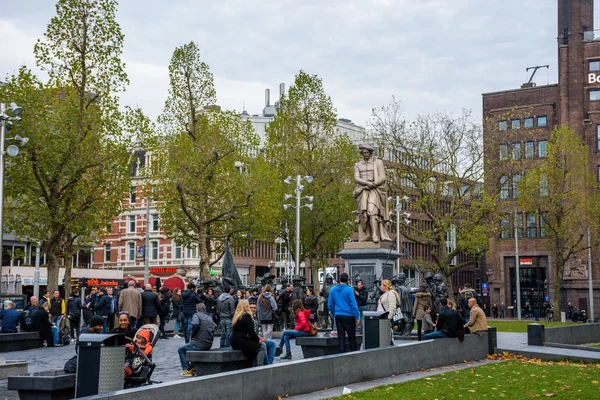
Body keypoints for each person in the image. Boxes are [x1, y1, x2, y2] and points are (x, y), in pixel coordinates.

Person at [353, 144, 392, 243]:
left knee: (372, 211)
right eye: (363, 153)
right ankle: (368, 234)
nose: (365, 154)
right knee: (363, 213)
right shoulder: (357, 165)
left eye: (367, 153)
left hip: (374, 190)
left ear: (370, 152)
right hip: (363, 190)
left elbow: (383, 177)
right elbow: (356, 177)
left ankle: (375, 235)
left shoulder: (378, 162)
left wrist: (373, 184)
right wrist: (366, 183)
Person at [178, 303, 216, 377]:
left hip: (199, 343)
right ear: (205, 309)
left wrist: (193, 333)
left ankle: (188, 369)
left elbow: (195, 324)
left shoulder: (196, 315)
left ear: (197, 309)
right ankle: (192, 368)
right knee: (191, 348)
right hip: (208, 344)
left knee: (181, 350)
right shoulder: (209, 317)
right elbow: (214, 326)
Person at [328, 273, 360, 353]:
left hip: (338, 315)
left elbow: (330, 305)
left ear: (339, 279)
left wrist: (335, 312)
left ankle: (342, 354)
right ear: (347, 280)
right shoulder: (349, 289)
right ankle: (354, 354)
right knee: (352, 337)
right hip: (349, 315)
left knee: (341, 337)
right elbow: (354, 305)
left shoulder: (333, 289)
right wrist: (357, 317)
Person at [231, 300, 266, 367]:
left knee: (254, 347)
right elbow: (251, 331)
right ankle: (260, 367)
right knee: (262, 348)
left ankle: (254, 364)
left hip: (234, 342)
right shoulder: (246, 316)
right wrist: (258, 340)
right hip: (241, 341)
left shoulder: (237, 316)